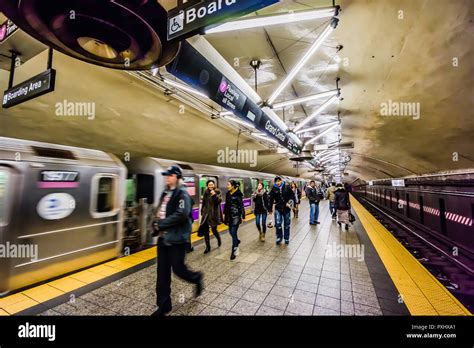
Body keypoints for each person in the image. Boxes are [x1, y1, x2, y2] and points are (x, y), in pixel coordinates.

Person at [151, 165, 203, 316]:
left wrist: (162, 223)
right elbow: (160, 211)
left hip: (177, 240)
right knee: (162, 273)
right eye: (166, 175)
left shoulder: (182, 194)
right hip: (163, 239)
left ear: (177, 177)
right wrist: (154, 223)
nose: (167, 178)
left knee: (178, 269)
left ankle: (196, 278)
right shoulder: (165, 193)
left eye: (170, 175)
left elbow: (182, 213)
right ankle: (164, 305)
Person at [268, 176, 294, 245]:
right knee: (278, 224)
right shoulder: (273, 189)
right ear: (275, 182)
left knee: (286, 225)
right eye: (276, 181)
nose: (278, 182)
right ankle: (279, 237)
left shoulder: (287, 187)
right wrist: (270, 209)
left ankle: (286, 238)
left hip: (286, 209)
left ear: (281, 181)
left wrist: (289, 202)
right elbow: (270, 200)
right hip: (278, 209)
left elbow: (292, 195)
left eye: (279, 181)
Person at [223, 180, 245, 260]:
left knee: (233, 233)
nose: (227, 186)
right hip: (229, 216)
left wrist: (243, 215)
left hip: (236, 216)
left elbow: (241, 205)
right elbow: (226, 205)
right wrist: (224, 214)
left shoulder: (238, 194)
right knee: (231, 232)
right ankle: (237, 241)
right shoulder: (228, 193)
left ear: (232, 186)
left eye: (228, 185)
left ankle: (234, 251)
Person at [200, 179, 223, 254]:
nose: (211, 186)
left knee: (214, 230)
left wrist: (214, 195)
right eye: (209, 185)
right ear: (207, 186)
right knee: (205, 231)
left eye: (212, 184)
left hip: (213, 214)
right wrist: (202, 211)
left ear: (214, 185)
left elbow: (219, 201)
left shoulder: (217, 192)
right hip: (206, 214)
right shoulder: (206, 192)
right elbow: (203, 203)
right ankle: (208, 247)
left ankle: (218, 238)